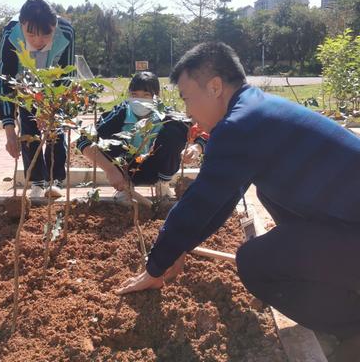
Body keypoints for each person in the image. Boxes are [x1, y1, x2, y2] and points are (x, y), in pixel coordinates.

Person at [116, 43, 360, 361]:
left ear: (215, 87)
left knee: (255, 263)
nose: (188, 112)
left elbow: (201, 202)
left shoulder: (237, 126)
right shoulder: (254, 110)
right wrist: (177, 249)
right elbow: (223, 198)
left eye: (188, 98)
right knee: (266, 191)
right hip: (347, 223)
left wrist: (156, 264)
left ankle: (352, 325)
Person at [76, 72, 206, 203]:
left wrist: (196, 148)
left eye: (146, 95)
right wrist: (110, 169)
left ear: (157, 96)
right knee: (112, 138)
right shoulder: (120, 113)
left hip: (156, 169)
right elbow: (84, 139)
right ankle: (124, 189)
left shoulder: (167, 115)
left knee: (174, 132)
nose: (139, 100)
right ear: (129, 95)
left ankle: (162, 184)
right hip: (126, 168)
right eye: (135, 95)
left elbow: (203, 133)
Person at [0, 0, 75, 198]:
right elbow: (4, 81)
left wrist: (52, 107)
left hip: (53, 85)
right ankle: (37, 182)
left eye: (46, 34)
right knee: (29, 131)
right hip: (25, 85)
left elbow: (67, 75)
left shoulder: (66, 32)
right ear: (22, 26)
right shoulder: (11, 34)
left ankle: (55, 180)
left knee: (56, 130)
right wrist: (9, 130)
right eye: (31, 34)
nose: (38, 41)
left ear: (54, 26)